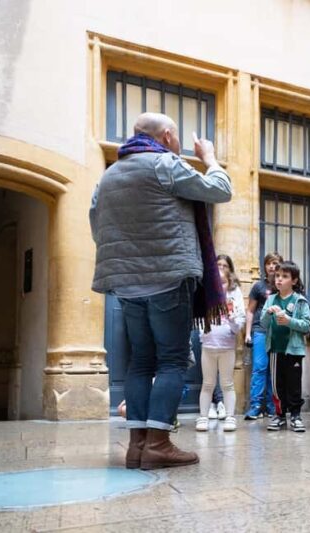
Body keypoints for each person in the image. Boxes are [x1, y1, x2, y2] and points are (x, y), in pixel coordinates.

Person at [90, 113, 231, 469]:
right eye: (178, 137)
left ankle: (137, 445)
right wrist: (210, 159)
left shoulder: (107, 177)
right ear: (167, 136)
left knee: (140, 360)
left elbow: (97, 222)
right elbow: (220, 190)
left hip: (126, 284)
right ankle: (159, 444)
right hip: (169, 278)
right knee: (171, 360)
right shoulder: (164, 163)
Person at [260, 261, 310, 432]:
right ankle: (280, 416)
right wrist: (268, 313)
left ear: (294, 281)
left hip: (294, 350)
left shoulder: (300, 301)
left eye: (285, 276)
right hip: (275, 349)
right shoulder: (271, 299)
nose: (279, 279)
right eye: (277, 276)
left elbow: (306, 325)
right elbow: (263, 323)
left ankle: (296, 416)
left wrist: (289, 321)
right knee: (277, 385)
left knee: (293, 384)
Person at [196, 255, 245, 432]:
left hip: (226, 346)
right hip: (208, 345)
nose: (221, 268)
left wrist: (232, 319)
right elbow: (199, 316)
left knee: (227, 383)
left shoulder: (235, 293)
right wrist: (203, 334)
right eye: (218, 265)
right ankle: (203, 417)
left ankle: (230, 417)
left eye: (225, 266)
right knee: (207, 383)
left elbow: (239, 323)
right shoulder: (206, 291)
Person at [244, 252, 283, 420]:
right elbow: (250, 311)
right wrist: (247, 333)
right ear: (265, 266)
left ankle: (272, 406)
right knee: (260, 368)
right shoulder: (258, 287)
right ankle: (256, 406)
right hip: (260, 330)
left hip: (278, 333)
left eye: (275, 263)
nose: (272, 266)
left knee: (274, 371)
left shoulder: (283, 286)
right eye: (269, 263)